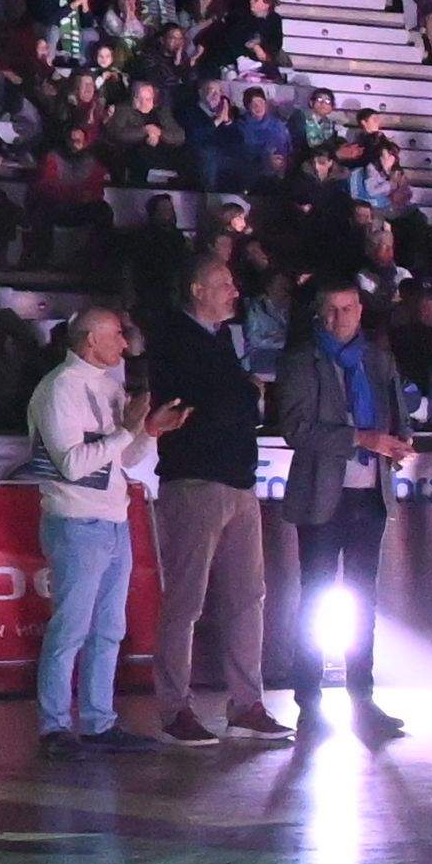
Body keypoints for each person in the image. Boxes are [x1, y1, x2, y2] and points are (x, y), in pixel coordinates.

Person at [142, 251, 286, 744]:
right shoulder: (173, 339)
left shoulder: (222, 339)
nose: (235, 291)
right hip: (194, 482)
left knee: (249, 597)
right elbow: (214, 403)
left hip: (239, 482)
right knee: (185, 600)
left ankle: (246, 703)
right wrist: (243, 395)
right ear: (198, 289)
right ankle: (173, 707)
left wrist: (239, 397)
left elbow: (235, 403)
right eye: (225, 283)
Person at [273, 279, 407, 739]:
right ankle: (309, 702)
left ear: (360, 311)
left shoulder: (377, 357)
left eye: (348, 308)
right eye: (331, 310)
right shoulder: (300, 360)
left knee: (363, 602)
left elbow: (394, 411)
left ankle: (362, 700)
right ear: (318, 314)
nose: (340, 318)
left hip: (371, 492)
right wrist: (360, 439)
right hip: (320, 495)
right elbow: (295, 428)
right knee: (315, 599)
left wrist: (398, 443)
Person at [26, 300, 161, 750]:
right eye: (116, 335)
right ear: (91, 340)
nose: (124, 342)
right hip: (75, 520)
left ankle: (99, 721)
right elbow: (71, 465)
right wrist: (127, 432)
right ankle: (55, 726)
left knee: (108, 628)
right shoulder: (59, 389)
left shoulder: (107, 386)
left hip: (112, 518)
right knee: (71, 627)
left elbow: (125, 460)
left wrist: (148, 430)